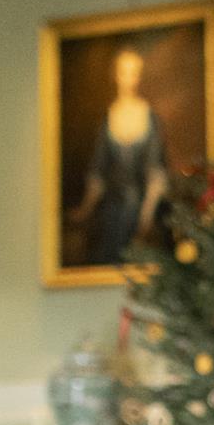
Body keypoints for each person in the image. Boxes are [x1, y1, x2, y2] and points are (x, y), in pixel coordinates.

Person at [68, 47, 170, 266]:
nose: (130, 79)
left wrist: (146, 220)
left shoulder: (150, 118)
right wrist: (85, 209)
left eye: (135, 73)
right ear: (115, 75)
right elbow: (98, 172)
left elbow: (156, 174)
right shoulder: (107, 118)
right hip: (111, 214)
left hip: (143, 210)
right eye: (125, 72)